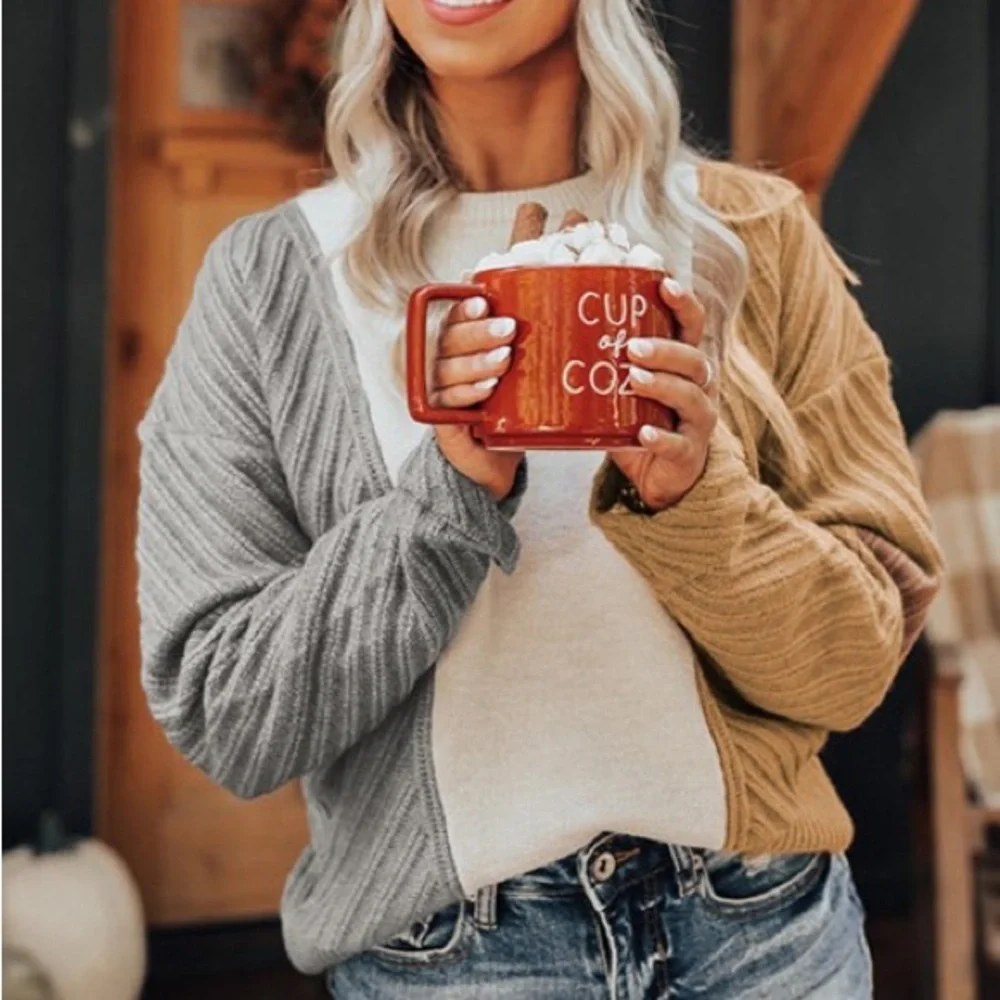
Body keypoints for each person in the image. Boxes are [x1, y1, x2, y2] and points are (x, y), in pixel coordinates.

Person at [135, 0, 944, 996]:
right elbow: (227, 714)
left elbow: (854, 667)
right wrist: (447, 493)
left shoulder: (751, 237)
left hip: (760, 935)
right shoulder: (269, 282)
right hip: (452, 963)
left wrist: (700, 503)